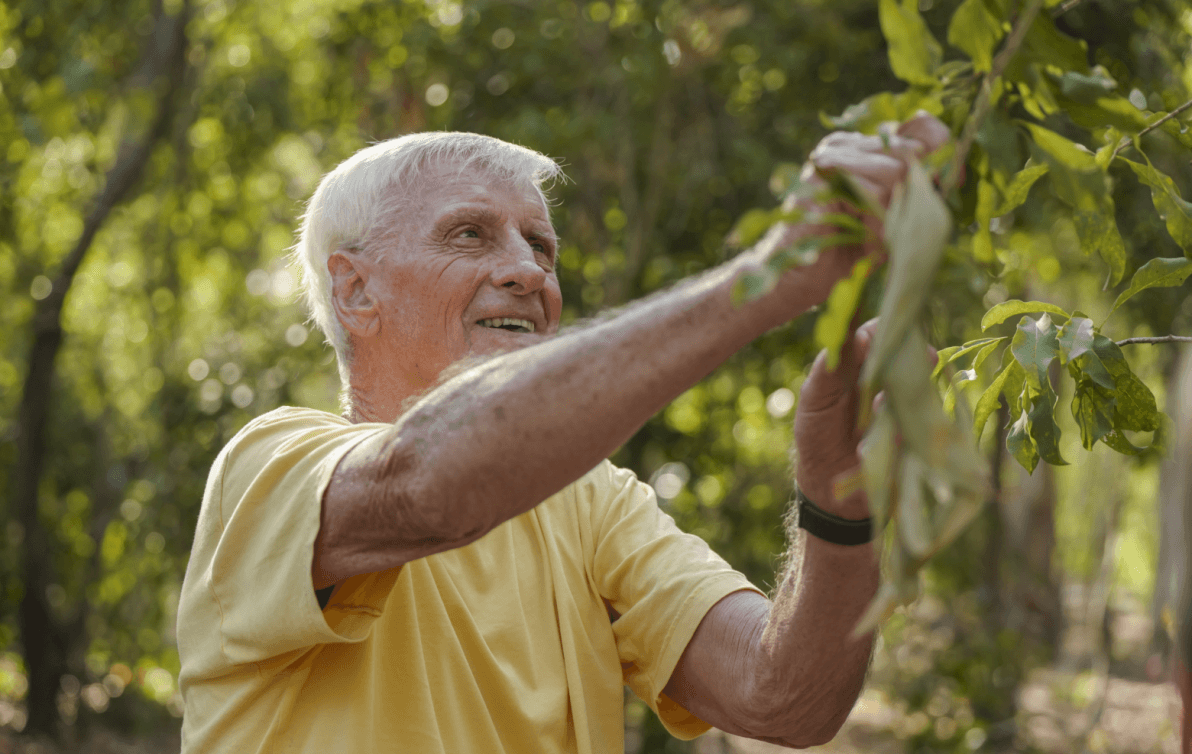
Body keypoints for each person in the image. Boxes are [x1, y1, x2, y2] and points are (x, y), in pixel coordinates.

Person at [177, 115, 949, 752]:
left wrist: (839, 511)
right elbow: (428, 487)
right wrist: (770, 276)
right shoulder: (269, 467)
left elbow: (783, 698)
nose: (528, 272)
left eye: (540, 247)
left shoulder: (592, 502)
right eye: (470, 236)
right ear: (354, 290)